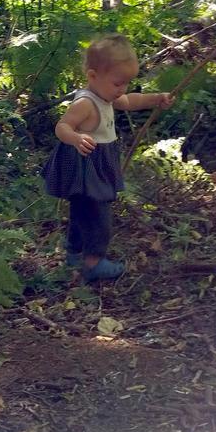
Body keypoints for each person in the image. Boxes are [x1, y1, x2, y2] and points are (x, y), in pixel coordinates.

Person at [42, 34, 173, 283]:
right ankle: (93, 262)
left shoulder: (106, 95)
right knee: (98, 215)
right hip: (87, 165)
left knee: (82, 211)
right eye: (117, 83)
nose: (122, 90)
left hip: (98, 161)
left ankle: (74, 252)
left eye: (126, 83)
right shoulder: (85, 103)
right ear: (93, 76)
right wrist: (76, 139)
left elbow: (131, 101)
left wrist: (156, 99)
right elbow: (62, 127)